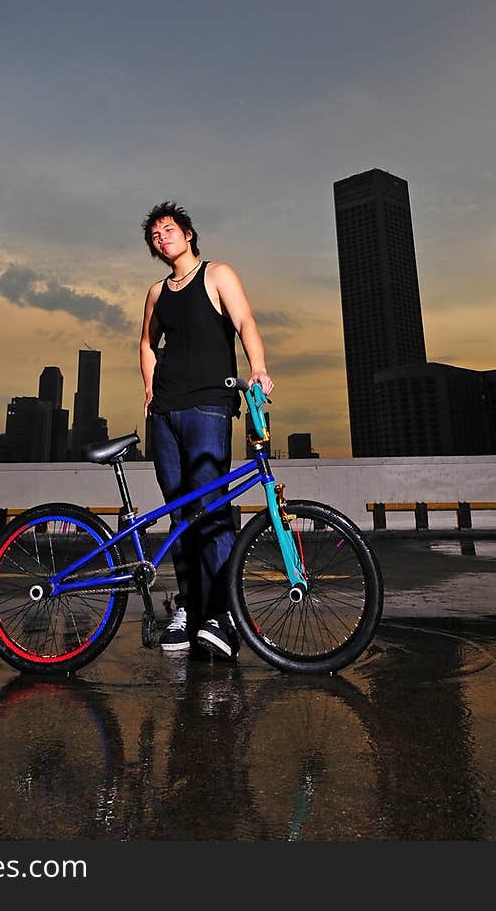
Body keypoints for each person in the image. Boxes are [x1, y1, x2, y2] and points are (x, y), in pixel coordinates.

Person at [139, 200, 275, 660]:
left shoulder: (218, 275)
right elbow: (146, 343)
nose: (163, 238)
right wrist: (149, 393)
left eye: (169, 229)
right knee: (179, 515)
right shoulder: (157, 292)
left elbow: (245, 323)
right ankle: (190, 610)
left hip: (209, 406)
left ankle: (223, 614)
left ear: (189, 234)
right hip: (165, 412)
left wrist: (257, 368)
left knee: (211, 508)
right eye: (155, 235)